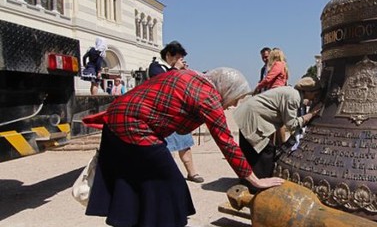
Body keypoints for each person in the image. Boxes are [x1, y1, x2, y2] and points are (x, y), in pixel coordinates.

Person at [85, 68, 284, 226]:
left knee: (131, 180)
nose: (232, 105)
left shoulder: (189, 76)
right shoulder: (208, 97)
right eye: (234, 99)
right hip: (134, 126)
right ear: (227, 90)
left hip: (114, 120)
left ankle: (129, 220)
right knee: (171, 184)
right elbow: (226, 142)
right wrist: (255, 180)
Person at [233, 77, 323, 193]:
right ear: (308, 92)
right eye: (315, 94)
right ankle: (257, 186)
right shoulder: (293, 97)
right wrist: (311, 114)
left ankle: (247, 181)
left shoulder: (292, 93)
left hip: (248, 116)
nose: (315, 97)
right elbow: (291, 124)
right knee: (266, 153)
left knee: (251, 153)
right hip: (253, 119)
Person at [148, 41, 202, 183]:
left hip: (178, 113)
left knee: (185, 145)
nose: (179, 60)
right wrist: (176, 70)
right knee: (166, 149)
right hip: (163, 115)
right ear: (168, 55)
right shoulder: (156, 67)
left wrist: (184, 73)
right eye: (177, 57)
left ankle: (192, 173)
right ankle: (168, 176)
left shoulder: (175, 69)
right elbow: (164, 84)